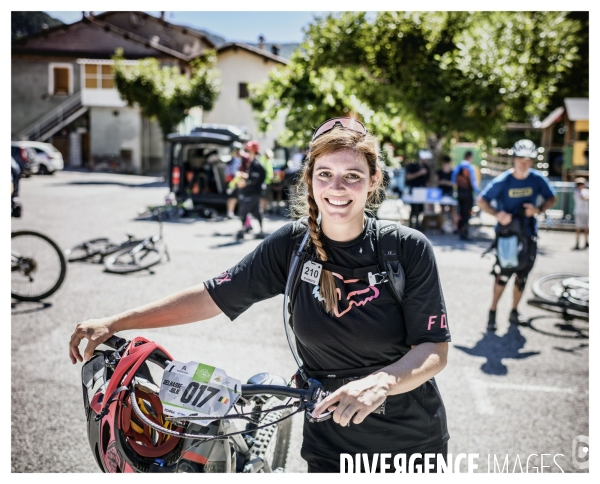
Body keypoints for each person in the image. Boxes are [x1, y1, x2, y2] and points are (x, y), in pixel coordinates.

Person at [69, 116, 451, 473]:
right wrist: (114, 322)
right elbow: (210, 297)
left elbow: (434, 350)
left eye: (352, 175)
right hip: (329, 444)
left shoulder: (404, 248)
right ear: (310, 180)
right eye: (325, 174)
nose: (337, 188)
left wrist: (380, 382)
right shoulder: (291, 246)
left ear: (373, 180)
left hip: (411, 442)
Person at [477, 139, 557, 332]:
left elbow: (552, 198)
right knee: (503, 276)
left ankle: (514, 311)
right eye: (521, 159)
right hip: (507, 237)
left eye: (528, 160)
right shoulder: (503, 180)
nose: (524, 163)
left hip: (529, 236)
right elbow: (482, 200)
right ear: (514, 159)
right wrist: (497, 214)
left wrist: (537, 209)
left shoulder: (537, 179)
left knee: (522, 276)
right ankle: (493, 312)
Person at [235, 140, 266, 240]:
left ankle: (243, 231)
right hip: (256, 192)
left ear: (253, 151)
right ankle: (261, 231)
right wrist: (245, 176)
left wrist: (245, 182)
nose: (247, 153)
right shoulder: (255, 163)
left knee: (244, 210)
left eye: (248, 151)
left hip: (252, 192)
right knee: (256, 211)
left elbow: (255, 178)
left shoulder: (255, 164)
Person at [451, 151, 480, 240]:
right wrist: (479, 193)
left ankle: (460, 230)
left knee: (460, 213)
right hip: (468, 195)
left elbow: (453, 181)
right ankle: (465, 232)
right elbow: (474, 183)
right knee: (467, 214)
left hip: (460, 194)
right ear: (470, 157)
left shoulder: (458, 167)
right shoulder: (471, 168)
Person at [404, 151, 431, 228]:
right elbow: (408, 177)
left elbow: (427, 181)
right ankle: (411, 223)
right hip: (414, 189)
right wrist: (420, 173)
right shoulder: (412, 166)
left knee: (420, 208)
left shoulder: (426, 168)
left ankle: (419, 224)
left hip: (422, 190)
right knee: (414, 208)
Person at [436, 155, 457, 232]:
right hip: (441, 192)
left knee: (453, 209)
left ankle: (454, 226)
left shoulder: (452, 172)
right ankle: (442, 226)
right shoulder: (439, 171)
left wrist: (446, 182)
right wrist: (444, 182)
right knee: (442, 210)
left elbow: (454, 183)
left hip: (450, 192)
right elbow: (437, 181)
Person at [225, 142, 243, 219]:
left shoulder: (238, 160)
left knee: (238, 198)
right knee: (232, 198)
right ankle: (230, 212)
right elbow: (232, 172)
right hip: (233, 181)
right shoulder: (233, 161)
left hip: (237, 181)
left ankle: (238, 213)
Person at [572, 177, 589, 250]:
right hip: (579, 212)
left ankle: (586, 241)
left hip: (586, 212)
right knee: (578, 227)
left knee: (587, 227)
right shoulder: (576, 192)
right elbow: (584, 198)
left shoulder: (587, 191)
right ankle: (577, 242)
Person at [259, 148, 275, 215]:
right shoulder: (262, 160)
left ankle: (264, 209)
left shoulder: (268, 161)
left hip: (268, 182)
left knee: (267, 196)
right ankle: (262, 210)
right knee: (263, 197)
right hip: (264, 181)